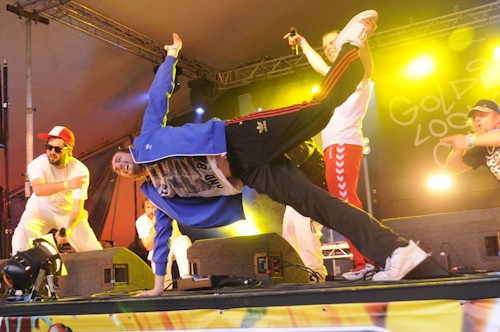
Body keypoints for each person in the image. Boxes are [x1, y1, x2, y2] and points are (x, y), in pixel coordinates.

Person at [112, 10, 428, 296]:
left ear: (127, 150)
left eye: (118, 159)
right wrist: (156, 288)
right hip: (248, 172)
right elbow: (163, 238)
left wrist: (171, 58)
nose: (119, 166)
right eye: (116, 170)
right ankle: (397, 252)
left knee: (316, 110)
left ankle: (352, 44)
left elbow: (158, 98)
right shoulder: (157, 191)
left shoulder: (149, 137)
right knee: (316, 203)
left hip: (238, 138)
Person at [282, 21, 377, 281]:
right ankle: (365, 261)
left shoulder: (357, 74)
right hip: (335, 147)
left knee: (346, 207)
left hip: (343, 145)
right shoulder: (336, 80)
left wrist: (363, 38)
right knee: (344, 207)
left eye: (335, 43)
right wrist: (302, 43)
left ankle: (366, 262)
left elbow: (367, 66)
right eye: (326, 47)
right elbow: (320, 66)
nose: (330, 49)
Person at [11, 126, 103, 254]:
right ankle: (21, 269)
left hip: (67, 212)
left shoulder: (79, 170)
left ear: (69, 150)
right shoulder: (38, 164)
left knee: (93, 250)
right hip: (40, 209)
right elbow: (38, 190)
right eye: (49, 147)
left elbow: (77, 208)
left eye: (58, 149)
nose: (52, 152)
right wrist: (68, 184)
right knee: (23, 233)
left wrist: (68, 230)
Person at [282, 139, 328, 281]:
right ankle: (296, 273)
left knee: (305, 232)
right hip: (296, 196)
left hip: (312, 192)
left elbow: (301, 154)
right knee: (288, 232)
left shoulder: (302, 139)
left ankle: (315, 273)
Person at [135, 197, 192, 289]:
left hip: (175, 246)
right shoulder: (141, 221)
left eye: (153, 207)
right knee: (159, 252)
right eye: (148, 208)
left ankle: (186, 279)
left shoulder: (167, 214)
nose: (151, 211)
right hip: (157, 249)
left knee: (184, 239)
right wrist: (155, 226)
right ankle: (164, 287)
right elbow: (148, 246)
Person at [441, 99, 500, 180]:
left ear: (497, 118)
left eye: (482, 115)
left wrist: (468, 140)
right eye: (474, 117)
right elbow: (453, 169)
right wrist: (459, 149)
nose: (476, 119)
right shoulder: (481, 148)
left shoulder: (473, 140)